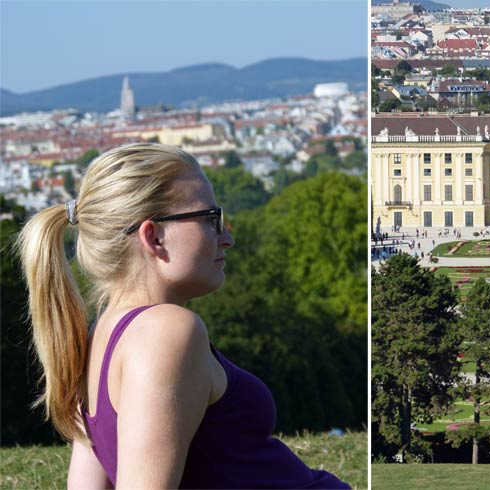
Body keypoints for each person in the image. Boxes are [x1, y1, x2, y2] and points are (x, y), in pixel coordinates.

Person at [17, 144, 348, 488]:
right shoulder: (164, 333)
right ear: (154, 236)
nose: (227, 238)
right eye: (210, 220)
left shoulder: (99, 338)